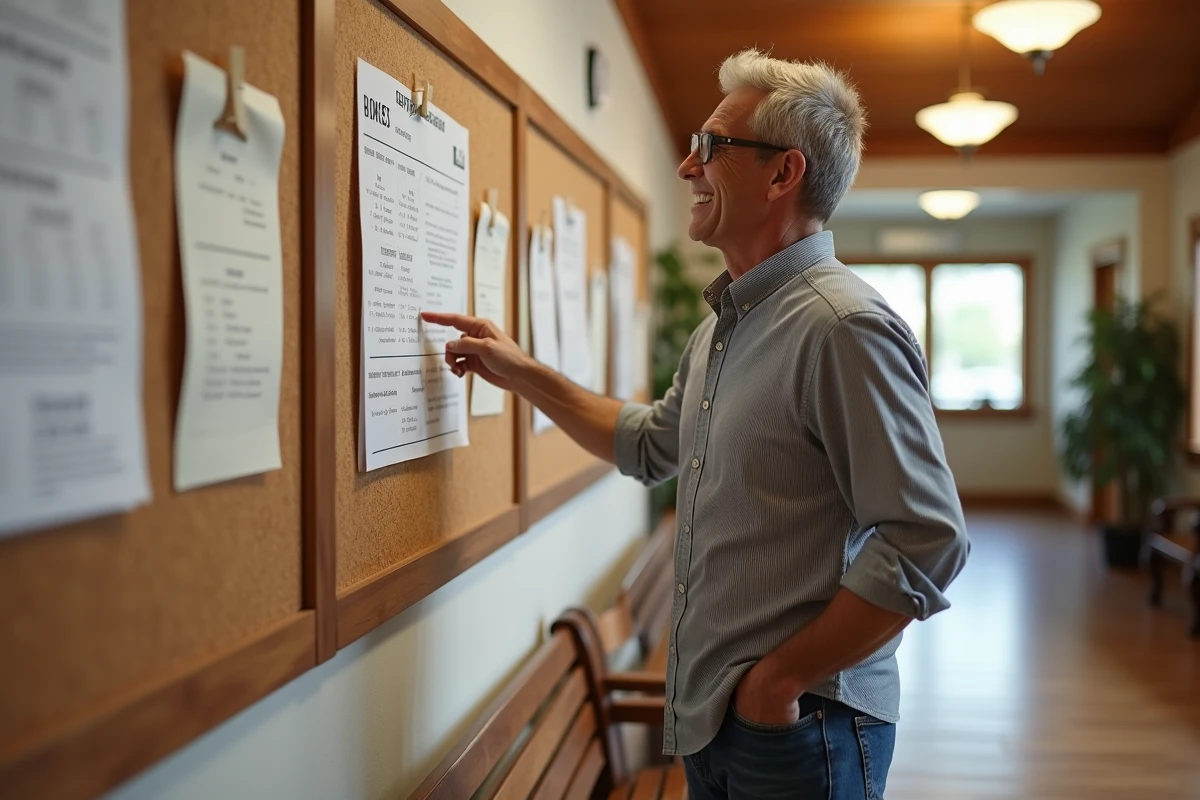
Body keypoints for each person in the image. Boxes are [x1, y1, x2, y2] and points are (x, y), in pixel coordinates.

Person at [423, 47, 969, 800]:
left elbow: (927, 537)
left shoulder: (843, 328)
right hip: (716, 720)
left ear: (783, 174)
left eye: (710, 146)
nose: (687, 167)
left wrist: (780, 681)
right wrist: (521, 372)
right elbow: (652, 444)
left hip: (802, 727)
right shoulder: (723, 326)